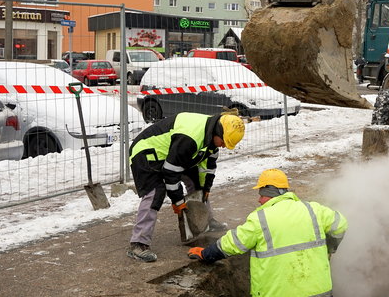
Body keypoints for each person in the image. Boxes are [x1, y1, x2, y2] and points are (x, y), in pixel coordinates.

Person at [188, 169, 348, 297]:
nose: (259, 200)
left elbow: (232, 243)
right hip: (320, 292)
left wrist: (206, 254)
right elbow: (340, 224)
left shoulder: (260, 219)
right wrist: (330, 248)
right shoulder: (313, 209)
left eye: (261, 195)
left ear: (271, 193)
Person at [126, 112, 245, 262]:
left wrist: (206, 189)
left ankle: (205, 221)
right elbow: (171, 172)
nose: (223, 146)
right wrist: (178, 201)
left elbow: (208, 168)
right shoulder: (190, 139)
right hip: (146, 152)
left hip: (172, 154)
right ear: (218, 131)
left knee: (197, 184)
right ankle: (138, 243)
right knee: (156, 192)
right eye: (223, 142)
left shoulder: (211, 137)